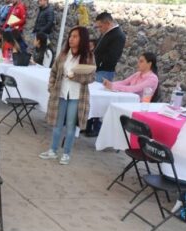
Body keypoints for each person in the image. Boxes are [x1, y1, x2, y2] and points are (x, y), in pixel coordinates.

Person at [39, 26, 94, 166]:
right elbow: (53, 72)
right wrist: (51, 87)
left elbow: (91, 78)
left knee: (70, 126)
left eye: (75, 36)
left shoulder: (88, 56)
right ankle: (53, 150)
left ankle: (66, 153)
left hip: (76, 97)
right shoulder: (63, 54)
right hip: (61, 93)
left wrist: (75, 77)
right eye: (70, 36)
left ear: (82, 39)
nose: (71, 39)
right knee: (57, 124)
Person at [93, 12, 126, 83]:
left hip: (105, 71)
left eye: (100, 26)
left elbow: (113, 57)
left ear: (108, 23)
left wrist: (99, 62)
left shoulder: (118, 35)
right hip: (98, 69)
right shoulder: (106, 32)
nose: (99, 29)